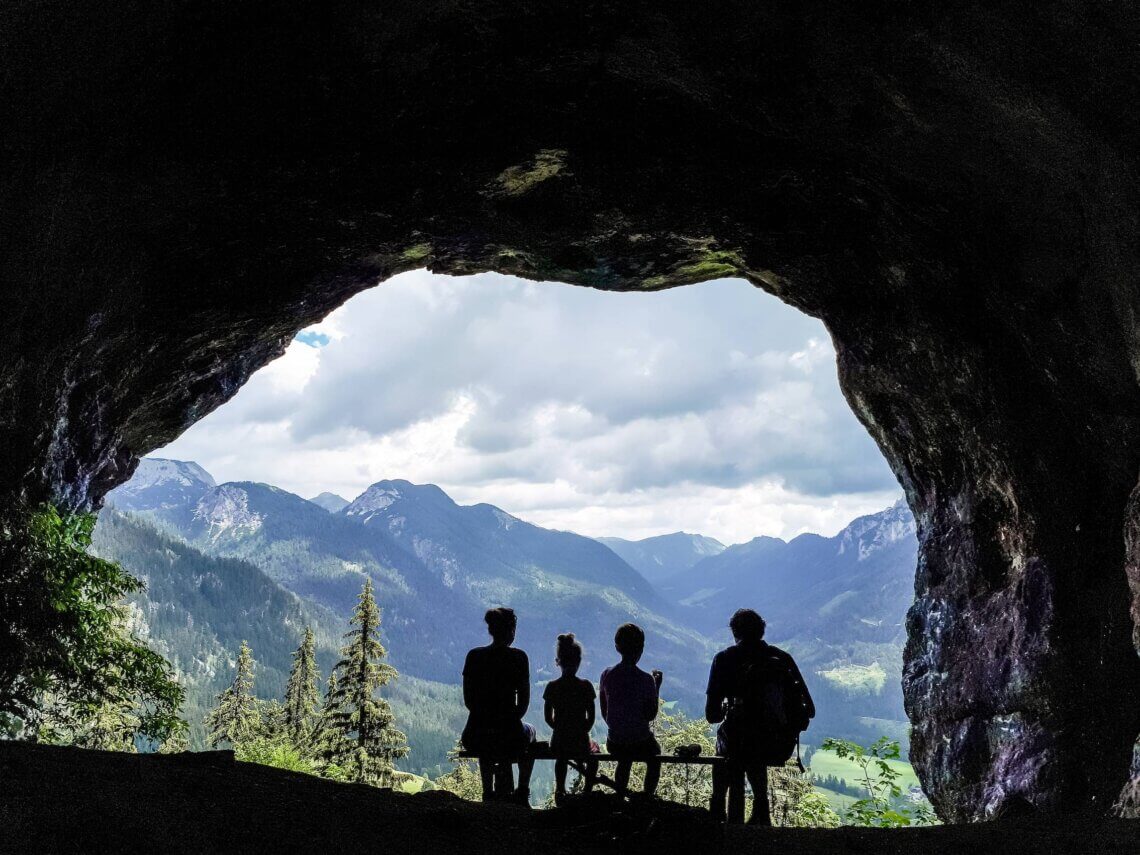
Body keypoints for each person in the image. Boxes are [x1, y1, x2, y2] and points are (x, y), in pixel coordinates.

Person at [705, 608, 814, 825]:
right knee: (754, 748)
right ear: (762, 631)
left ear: (734, 632)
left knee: (728, 742)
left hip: (737, 744)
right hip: (776, 744)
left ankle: (717, 809)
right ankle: (761, 808)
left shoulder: (724, 659)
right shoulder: (782, 659)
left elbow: (712, 715)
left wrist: (731, 708)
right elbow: (809, 709)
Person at [461, 607, 536, 803]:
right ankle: (522, 791)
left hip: (475, 733)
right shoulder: (519, 658)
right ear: (511, 631)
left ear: (491, 630)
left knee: (488, 742)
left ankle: (488, 791)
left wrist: (488, 719)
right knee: (531, 732)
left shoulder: (474, 656)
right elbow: (523, 704)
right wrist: (507, 721)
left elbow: (469, 701)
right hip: (511, 733)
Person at [599, 623, 663, 798]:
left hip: (614, 741)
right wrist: (656, 687)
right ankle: (647, 796)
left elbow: (605, 710)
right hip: (639, 740)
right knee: (655, 756)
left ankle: (619, 796)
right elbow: (650, 715)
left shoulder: (607, 675)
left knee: (624, 760)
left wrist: (618, 727)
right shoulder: (646, 680)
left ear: (617, 646)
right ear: (641, 648)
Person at [543, 633, 599, 804]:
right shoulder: (586, 686)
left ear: (558, 661)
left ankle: (559, 790)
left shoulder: (552, 687)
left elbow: (547, 718)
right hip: (580, 740)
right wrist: (582, 731)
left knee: (561, 759)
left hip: (559, 740)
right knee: (594, 757)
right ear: (579, 661)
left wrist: (560, 729)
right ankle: (587, 792)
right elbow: (591, 717)